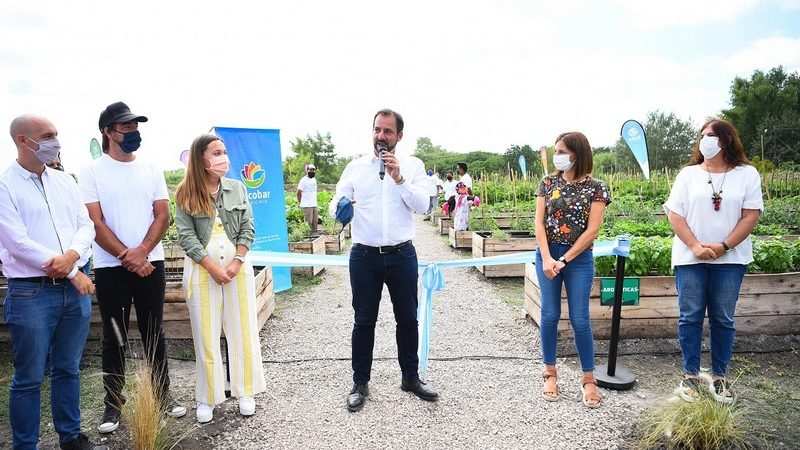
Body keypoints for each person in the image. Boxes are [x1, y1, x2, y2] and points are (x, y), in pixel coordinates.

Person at [79, 101, 186, 434]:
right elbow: (95, 222)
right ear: (108, 132)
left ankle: (163, 395)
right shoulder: (92, 171)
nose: (133, 132)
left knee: (155, 331)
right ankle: (113, 403)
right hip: (110, 267)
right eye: (126, 127)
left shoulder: (150, 168)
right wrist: (127, 256)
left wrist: (142, 252)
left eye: (135, 126)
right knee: (115, 336)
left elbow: (162, 215)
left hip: (151, 263)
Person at [1, 115, 106, 450]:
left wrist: (72, 256)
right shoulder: (5, 186)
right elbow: (17, 242)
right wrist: (73, 272)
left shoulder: (65, 182)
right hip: (31, 292)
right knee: (29, 377)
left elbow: (85, 226)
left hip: (72, 294)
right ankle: (25, 445)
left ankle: (70, 436)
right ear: (23, 140)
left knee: (68, 368)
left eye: (56, 135)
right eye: (47, 136)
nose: (55, 142)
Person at [330, 108, 438, 412]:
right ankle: (360, 382)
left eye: (387, 131)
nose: (381, 136)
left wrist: (399, 178)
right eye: (377, 129)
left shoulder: (413, 166)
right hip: (364, 256)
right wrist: (340, 207)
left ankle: (410, 377)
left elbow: (422, 206)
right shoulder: (355, 167)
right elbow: (335, 204)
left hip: (402, 254)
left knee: (408, 318)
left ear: (399, 136)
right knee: (364, 320)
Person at [664, 118, 762, 404]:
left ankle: (720, 377)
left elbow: (751, 215)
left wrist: (724, 246)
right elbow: (675, 214)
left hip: (730, 259)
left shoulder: (747, 174)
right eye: (702, 135)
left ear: (726, 140)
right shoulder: (688, 174)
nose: (705, 140)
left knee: (723, 318)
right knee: (690, 316)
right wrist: (695, 246)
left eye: (712, 135)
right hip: (689, 258)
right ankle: (690, 376)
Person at [174, 134, 267, 423]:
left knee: (243, 329)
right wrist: (212, 267)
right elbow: (186, 235)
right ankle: (208, 397)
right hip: (203, 270)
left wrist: (237, 261)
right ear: (200, 158)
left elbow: (248, 226)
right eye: (216, 152)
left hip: (237, 268)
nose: (223, 157)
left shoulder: (237, 188)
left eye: (224, 151)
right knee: (206, 333)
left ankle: (245, 390)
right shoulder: (185, 193)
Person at [534, 131, 610, 409]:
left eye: (562, 151)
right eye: (556, 151)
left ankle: (589, 379)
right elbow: (539, 222)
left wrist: (564, 260)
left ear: (577, 153)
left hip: (578, 258)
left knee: (580, 318)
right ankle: (549, 373)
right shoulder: (547, 183)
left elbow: (592, 231)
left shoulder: (596, 188)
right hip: (547, 254)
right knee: (549, 314)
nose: (558, 156)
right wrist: (546, 258)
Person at [297, 163, 318, 234]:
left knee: (315, 221)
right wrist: (299, 202)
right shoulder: (303, 180)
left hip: (314, 204)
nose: (312, 171)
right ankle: (308, 236)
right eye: (311, 169)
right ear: (307, 170)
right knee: (308, 222)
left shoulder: (314, 179)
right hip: (307, 204)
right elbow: (298, 192)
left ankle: (314, 236)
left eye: (314, 170)